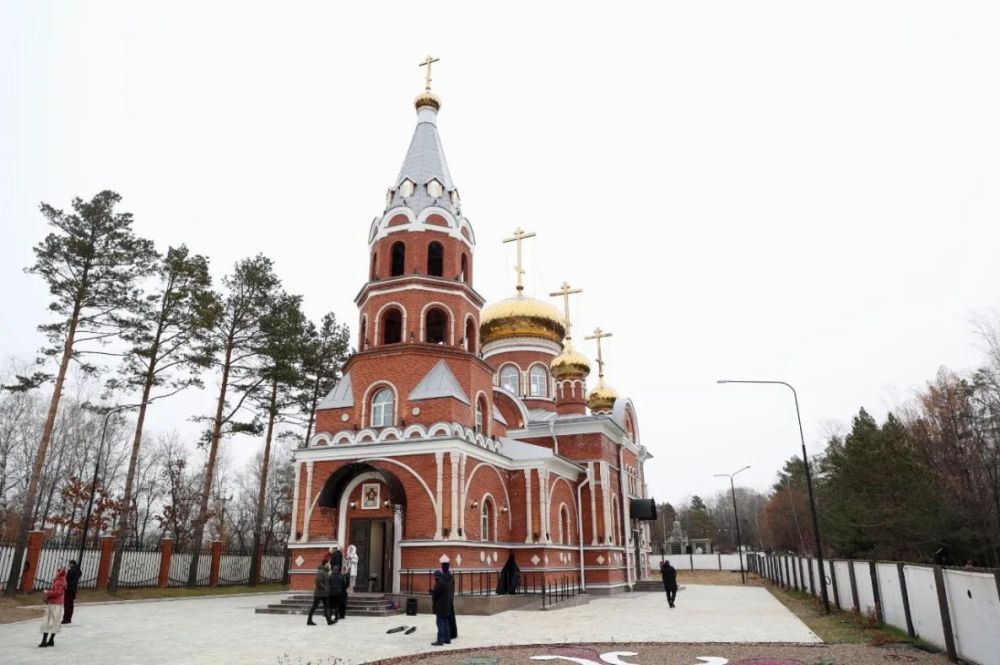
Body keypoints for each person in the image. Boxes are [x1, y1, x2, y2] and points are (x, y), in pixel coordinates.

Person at [39, 566, 67, 647]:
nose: (55, 573)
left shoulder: (59, 582)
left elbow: (57, 593)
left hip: (54, 604)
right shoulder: (63, 581)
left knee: (48, 622)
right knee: (55, 622)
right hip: (58, 604)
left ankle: (44, 641)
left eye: (57, 572)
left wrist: (47, 592)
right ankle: (51, 640)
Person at [430, 562, 453, 646]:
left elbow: (436, 593)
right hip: (446, 606)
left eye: (434, 576)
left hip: (440, 607)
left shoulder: (439, 583)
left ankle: (440, 640)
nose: (434, 578)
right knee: (446, 623)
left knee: (440, 623)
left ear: (436, 576)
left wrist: (431, 591)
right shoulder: (446, 582)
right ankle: (447, 639)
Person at [306, 562, 333, 626]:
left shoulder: (325, 572)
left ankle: (329, 620)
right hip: (319, 593)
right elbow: (318, 581)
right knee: (314, 607)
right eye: (329, 566)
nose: (330, 567)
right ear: (326, 565)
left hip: (324, 594)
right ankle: (309, 620)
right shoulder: (321, 572)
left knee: (326, 607)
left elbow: (326, 582)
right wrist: (325, 588)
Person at [62, 559, 81, 624]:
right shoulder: (78, 571)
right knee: (71, 604)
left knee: (67, 604)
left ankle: (65, 619)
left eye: (69, 564)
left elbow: (67, 579)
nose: (68, 565)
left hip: (68, 589)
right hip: (74, 589)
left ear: (71, 564)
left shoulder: (71, 571)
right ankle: (69, 618)